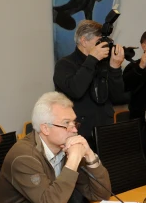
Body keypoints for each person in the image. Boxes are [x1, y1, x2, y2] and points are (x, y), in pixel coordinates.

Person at [0, 92, 112, 203]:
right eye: (66, 123)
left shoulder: (65, 148)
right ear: (45, 129)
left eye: (74, 123)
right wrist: (73, 160)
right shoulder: (23, 157)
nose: (74, 130)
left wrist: (90, 156)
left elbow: (101, 196)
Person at [53, 20, 127, 148]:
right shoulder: (65, 64)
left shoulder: (104, 63)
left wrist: (115, 68)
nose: (103, 46)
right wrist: (92, 59)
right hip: (79, 133)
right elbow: (76, 90)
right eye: (98, 42)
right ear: (83, 41)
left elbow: (118, 97)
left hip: (105, 132)